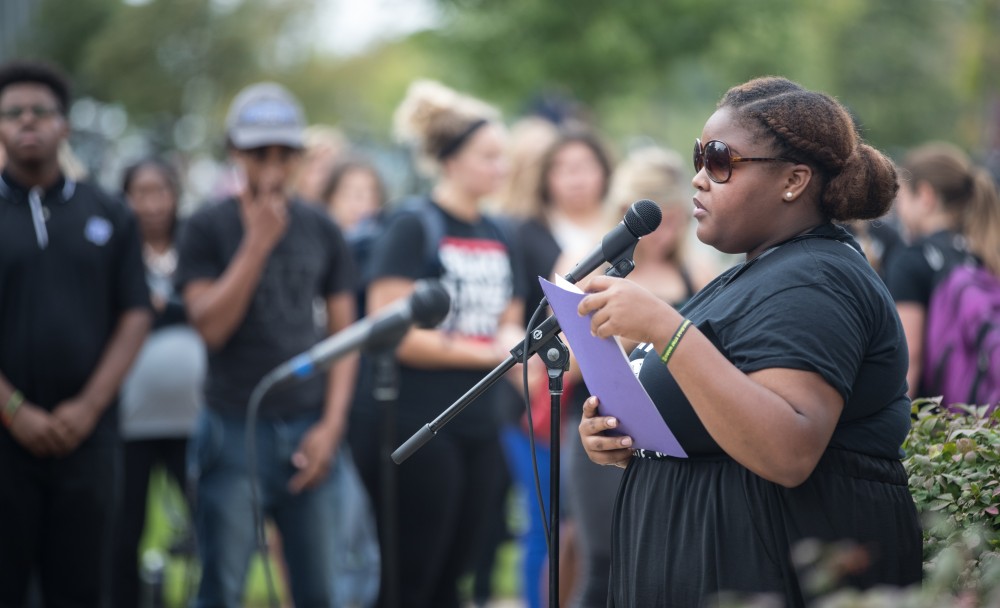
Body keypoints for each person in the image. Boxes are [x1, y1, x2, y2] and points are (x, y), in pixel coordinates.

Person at [576, 76, 922, 607]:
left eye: (719, 161)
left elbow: (788, 450)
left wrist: (666, 330)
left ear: (793, 180)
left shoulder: (816, 279)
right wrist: (629, 438)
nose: (697, 179)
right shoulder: (759, 271)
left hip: (767, 572)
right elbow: (721, 413)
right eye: (698, 157)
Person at [175, 82, 358, 608]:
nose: (273, 168)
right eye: (259, 154)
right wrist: (255, 244)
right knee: (222, 586)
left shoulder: (322, 226)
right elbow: (208, 327)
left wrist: (332, 425)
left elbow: (346, 336)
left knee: (320, 588)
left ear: (300, 156)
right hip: (233, 427)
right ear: (235, 153)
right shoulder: (206, 227)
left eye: (284, 153)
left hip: (308, 424)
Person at [348, 79, 525, 608]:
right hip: (417, 425)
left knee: (458, 574)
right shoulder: (412, 225)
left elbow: (508, 322)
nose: (502, 167)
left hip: (481, 420)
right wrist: (490, 351)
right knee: (412, 577)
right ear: (449, 160)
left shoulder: (502, 231)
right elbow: (390, 329)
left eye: (504, 156)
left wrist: (520, 357)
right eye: (488, 156)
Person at [0, 60, 152, 607]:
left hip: (87, 441)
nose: (27, 121)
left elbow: (135, 314)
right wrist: (14, 409)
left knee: (84, 587)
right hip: (5, 441)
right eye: (13, 112)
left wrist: (88, 407)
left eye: (41, 111)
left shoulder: (110, 214)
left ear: (64, 125)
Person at [112, 158, 206, 608]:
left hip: (193, 414)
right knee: (121, 529)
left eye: (160, 192)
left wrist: (158, 308)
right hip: (129, 416)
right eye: (140, 193)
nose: (150, 204)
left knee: (206, 524)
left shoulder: (196, 246)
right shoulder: (113, 246)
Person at [883, 142, 1000, 399]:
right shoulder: (986, 250)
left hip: (941, 421)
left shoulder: (910, 260)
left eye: (901, 197)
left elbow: (909, 358)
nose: (898, 210)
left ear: (925, 196)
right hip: (983, 417)